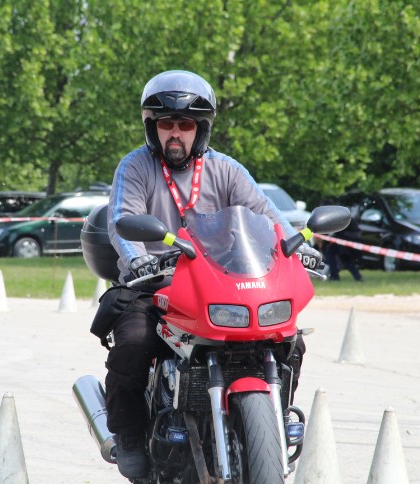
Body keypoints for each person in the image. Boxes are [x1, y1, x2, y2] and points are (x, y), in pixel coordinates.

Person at [100, 70, 322, 479]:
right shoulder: (135, 167)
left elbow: (267, 215)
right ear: (152, 127)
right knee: (133, 340)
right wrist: (137, 260)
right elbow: (122, 221)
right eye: (166, 124)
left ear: (201, 129)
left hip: (220, 285)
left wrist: (300, 248)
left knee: (289, 341)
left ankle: (272, 418)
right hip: (156, 284)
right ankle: (129, 435)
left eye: (185, 125)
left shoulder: (226, 169)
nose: (175, 134)